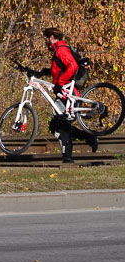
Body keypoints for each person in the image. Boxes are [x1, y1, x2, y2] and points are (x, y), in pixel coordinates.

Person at [42, 27, 98, 162]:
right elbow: (59, 70)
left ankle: (68, 158)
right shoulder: (59, 50)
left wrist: (60, 82)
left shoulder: (61, 50)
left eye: (45, 38)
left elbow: (72, 66)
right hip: (64, 93)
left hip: (68, 94)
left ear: (51, 38)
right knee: (58, 125)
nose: (45, 41)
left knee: (60, 125)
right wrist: (43, 72)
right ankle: (87, 138)